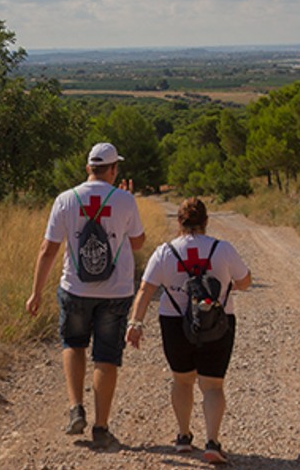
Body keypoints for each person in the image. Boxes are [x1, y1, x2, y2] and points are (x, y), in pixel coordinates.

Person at [26, 142, 146, 449]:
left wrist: (36, 292)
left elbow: (48, 249)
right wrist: (128, 206)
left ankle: (75, 407)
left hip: (74, 288)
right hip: (116, 292)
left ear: (88, 168)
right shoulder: (124, 200)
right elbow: (137, 244)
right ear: (114, 169)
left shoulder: (65, 199)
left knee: (73, 343)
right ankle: (101, 427)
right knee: (106, 358)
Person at [125, 197, 251, 465]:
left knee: (182, 380)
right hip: (218, 322)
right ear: (206, 221)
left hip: (174, 324)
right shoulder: (222, 248)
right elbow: (245, 281)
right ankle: (212, 443)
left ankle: (183, 437)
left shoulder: (165, 252)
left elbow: (146, 290)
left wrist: (135, 323)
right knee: (213, 385)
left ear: (179, 222)